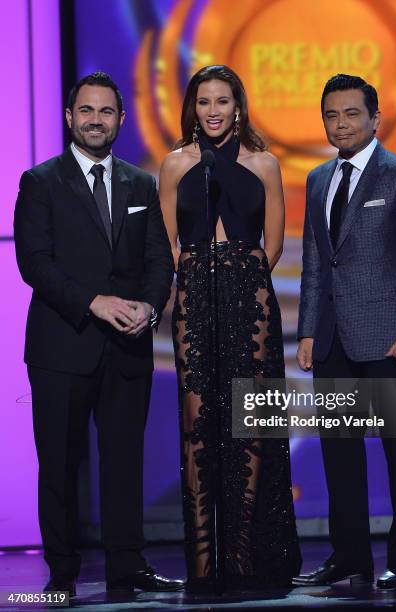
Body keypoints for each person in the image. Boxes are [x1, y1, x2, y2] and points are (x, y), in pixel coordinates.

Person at [14, 72, 182, 596]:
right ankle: (62, 571)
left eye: (105, 111)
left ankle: (126, 565)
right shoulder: (39, 182)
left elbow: (159, 259)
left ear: (120, 120)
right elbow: (34, 263)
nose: (95, 120)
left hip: (128, 346)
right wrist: (94, 302)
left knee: (124, 461)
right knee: (60, 465)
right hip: (62, 345)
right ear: (69, 117)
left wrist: (150, 307)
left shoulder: (140, 183)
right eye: (85, 110)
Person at [293, 74, 396, 589]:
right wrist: (308, 331)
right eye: (332, 115)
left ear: (375, 119)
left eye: (351, 113)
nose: (341, 124)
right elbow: (316, 264)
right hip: (333, 340)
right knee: (340, 454)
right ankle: (350, 556)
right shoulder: (318, 179)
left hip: (391, 341)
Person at [159, 65, 301, 593]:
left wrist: (239, 272)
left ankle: (242, 559)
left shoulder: (264, 162)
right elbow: (167, 241)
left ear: (238, 106)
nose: (213, 111)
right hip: (196, 296)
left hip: (249, 295)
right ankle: (202, 565)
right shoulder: (174, 165)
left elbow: (275, 242)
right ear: (192, 108)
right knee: (198, 422)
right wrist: (197, 275)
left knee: (248, 419)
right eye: (203, 102)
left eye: (222, 101)